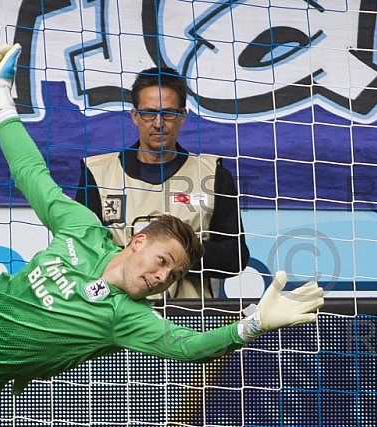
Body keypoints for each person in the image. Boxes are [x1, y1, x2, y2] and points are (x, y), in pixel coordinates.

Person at [0, 43, 322, 427]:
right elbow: (29, 171)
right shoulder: (82, 228)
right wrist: (0, 95)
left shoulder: (125, 317)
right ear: (137, 240)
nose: (162, 277)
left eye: (173, 275)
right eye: (162, 262)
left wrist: (252, 326)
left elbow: (190, 346)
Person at [75, 65, 249, 299]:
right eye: (148, 113)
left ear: (183, 116)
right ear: (135, 116)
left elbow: (236, 257)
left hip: (189, 319)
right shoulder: (98, 173)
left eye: (168, 113)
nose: (158, 123)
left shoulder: (212, 175)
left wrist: (174, 253)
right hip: (115, 316)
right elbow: (82, 253)